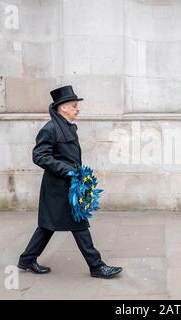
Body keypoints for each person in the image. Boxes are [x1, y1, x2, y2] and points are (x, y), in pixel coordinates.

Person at [17, 85, 122, 279]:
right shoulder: (50, 129)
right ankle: (96, 266)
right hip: (59, 188)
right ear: (63, 107)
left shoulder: (66, 127)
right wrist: (67, 170)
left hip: (68, 185)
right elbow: (39, 156)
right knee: (79, 223)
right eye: (74, 105)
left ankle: (27, 259)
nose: (77, 108)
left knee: (48, 225)